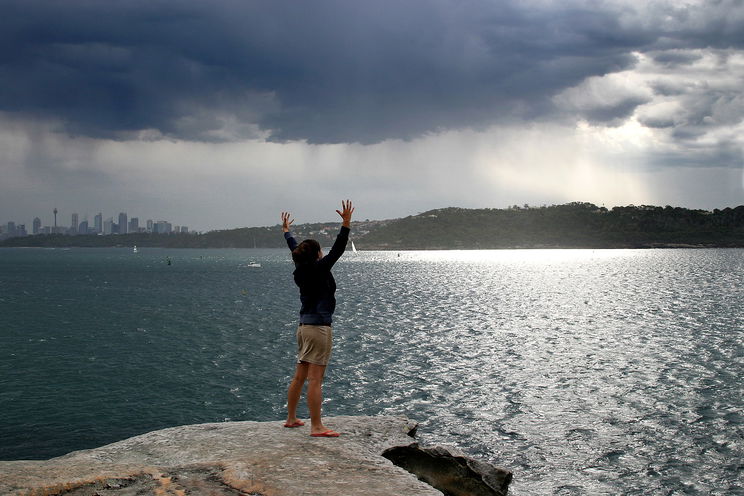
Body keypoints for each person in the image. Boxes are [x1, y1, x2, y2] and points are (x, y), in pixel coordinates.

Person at [281, 200, 354, 437]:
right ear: (316, 255)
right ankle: (316, 426)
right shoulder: (319, 268)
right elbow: (338, 249)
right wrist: (345, 224)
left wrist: (287, 233)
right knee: (315, 379)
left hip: (303, 327)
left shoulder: (300, 269)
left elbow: (295, 249)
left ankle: (291, 418)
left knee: (300, 374)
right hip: (318, 328)